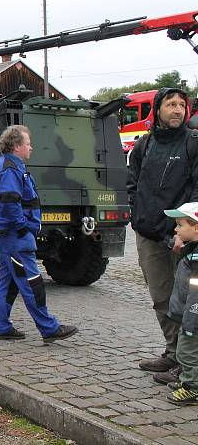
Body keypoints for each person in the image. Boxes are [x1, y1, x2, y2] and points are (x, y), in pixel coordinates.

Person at [128, 87, 198, 383]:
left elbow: (196, 189)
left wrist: (186, 230)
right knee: (161, 297)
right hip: (148, 234)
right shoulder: (144, 145)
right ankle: (173, 353)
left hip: (180, 237)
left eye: (182, 105)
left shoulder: (193, 144)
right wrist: (136, 216)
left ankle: (187, 363)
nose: (178, 110)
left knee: (187, 301)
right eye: (171, 104)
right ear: (158, 110)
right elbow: (132, 184)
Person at [0, 125, 78, 343]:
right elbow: (11, 203)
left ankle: (1, 326)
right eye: (28, 144)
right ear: (17, 146)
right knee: (32, 282)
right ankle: (49, 328)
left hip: (7, 235)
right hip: (14, 237)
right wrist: (22, 228)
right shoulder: (11, 168)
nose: (31, 148)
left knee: (7, 282)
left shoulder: (8, 165)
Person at [159, 203, 198, 405]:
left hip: (193, 318)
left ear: (196, 227)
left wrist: (190, 321)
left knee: (188, 353)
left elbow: (196, 296)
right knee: (186, 352)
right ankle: (187, 381)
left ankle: (192, 389)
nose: (175, 230)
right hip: (189, 315)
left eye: (180, 225)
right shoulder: (191, 251)